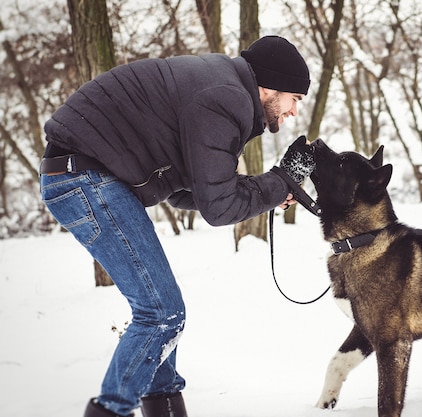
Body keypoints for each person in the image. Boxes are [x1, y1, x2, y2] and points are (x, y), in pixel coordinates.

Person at [39, 35, 316, 417]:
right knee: (161, 312)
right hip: (84, 176)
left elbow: (197, 194)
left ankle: (165, 406)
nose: (293, 112)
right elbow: (219, 207)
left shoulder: (221, 85)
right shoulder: (228, 97)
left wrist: (273, 188)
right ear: (269, 86)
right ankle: (110, 410)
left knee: (161, 314)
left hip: (87, 173)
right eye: (294, 99)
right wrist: (280, 181)